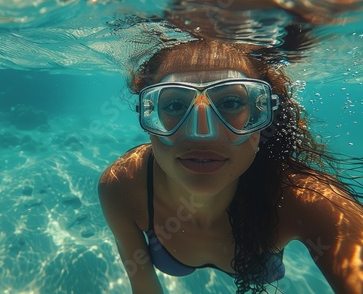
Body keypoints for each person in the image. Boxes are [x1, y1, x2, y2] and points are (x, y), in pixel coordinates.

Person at [98, 38, 363, 293]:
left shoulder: (308, 198)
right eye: (176, 104)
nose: (203, 134)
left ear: (262, 116)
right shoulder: (122, 186)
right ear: (148, 115)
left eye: (231, 103)